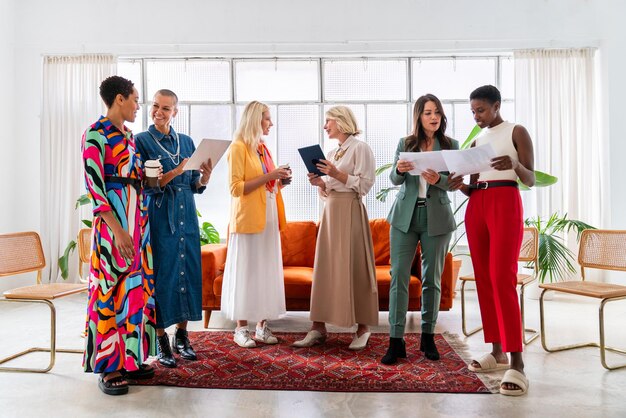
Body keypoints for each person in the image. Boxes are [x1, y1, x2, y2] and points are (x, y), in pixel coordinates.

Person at [448, 85, 535, 396]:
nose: (476, 116)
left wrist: (515, 165)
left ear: (496, 106)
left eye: (481, 110)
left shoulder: (517, 131)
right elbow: (474, 186)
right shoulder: (477, 140)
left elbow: (531, 178)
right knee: (485, 279)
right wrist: (459, 185)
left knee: (502, 278)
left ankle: (518, 363)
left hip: (505, 202)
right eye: (473, 111)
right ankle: (497, 351)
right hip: (477, 206)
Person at [82, 76, 157, 395]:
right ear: (119, 99)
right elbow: (94, 189)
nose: (139, 106)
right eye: (135, 99)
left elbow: (139, 181)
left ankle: (130, 358)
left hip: (137, 225)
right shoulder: (95, 134)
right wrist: (118, 230)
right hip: (113, 229)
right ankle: (108, 367)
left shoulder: (128, 136)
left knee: (135, 290)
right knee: (109, 291)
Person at [135, 89, 212, 368]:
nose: (159, 112)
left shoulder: (187, 142)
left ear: (175, 112)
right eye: (155, 106)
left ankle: (182, 336)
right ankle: (161, 339)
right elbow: (147, 185)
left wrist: (204, 178)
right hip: (159, 216)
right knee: (162, 275)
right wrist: (176, 172)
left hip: (187, 216)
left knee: (187, 272)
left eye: (166, 108)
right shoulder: (140, 141)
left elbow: (194, 186)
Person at [292, 106, 378, 350]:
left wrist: (337, 175)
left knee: (355, 265)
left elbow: (365, 185)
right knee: (325, 267)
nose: (325, 126)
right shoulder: (332, 152)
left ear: (341, 122)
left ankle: (363, 328)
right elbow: (329, 190)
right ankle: (318, 327)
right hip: (331, 211)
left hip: (350, 210)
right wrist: (320, 182)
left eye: (328, 121)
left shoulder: (361, 148)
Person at [381, 94, 458, 365]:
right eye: (427, 112)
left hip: (436, 216)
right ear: (419, 116)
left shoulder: (450, 145)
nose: (433, 117)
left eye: (437, 112)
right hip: (405, 217)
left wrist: (439, 179)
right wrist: (400, 170)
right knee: (398, 276)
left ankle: (427, 337)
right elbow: (393, 178)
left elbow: (455, 184)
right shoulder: (406, 143)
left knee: (432, 279)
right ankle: (396, 340)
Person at [220, 100, 292, 348]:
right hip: (248, 218)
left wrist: (280, 180)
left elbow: (267, 184)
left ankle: (262, 327)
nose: (271, 123)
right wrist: (271, 176)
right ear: (255, 120)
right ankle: (241, 328)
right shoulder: (237, 148)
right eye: (267, 118)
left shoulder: (262, 148)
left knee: (265, 269)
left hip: (269, 214)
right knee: (246, 271)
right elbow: (236, 188)